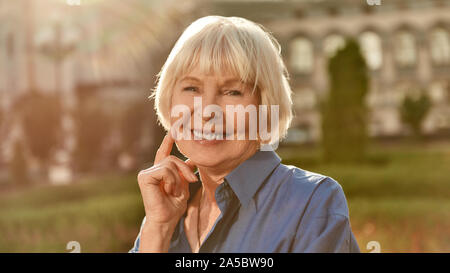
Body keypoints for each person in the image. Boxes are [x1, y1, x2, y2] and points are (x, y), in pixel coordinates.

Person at [129, 16, 360, 253]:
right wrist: (158, 229)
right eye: (192, 88)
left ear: (264, 105)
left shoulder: (311, 202)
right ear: (169, 98)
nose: (208, 110)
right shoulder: (165, 212)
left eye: (232, 92)